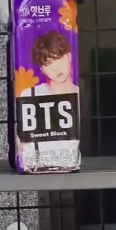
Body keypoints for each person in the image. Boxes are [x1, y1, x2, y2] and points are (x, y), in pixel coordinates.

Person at [18, 31, 79, 170]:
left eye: (59, 58)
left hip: (69, 164)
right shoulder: (30, 95)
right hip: (37, 166)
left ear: (69, 56)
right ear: (42, 69)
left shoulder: (78, 94)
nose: (56, 68)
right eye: (48, 63)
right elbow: (21, 143)